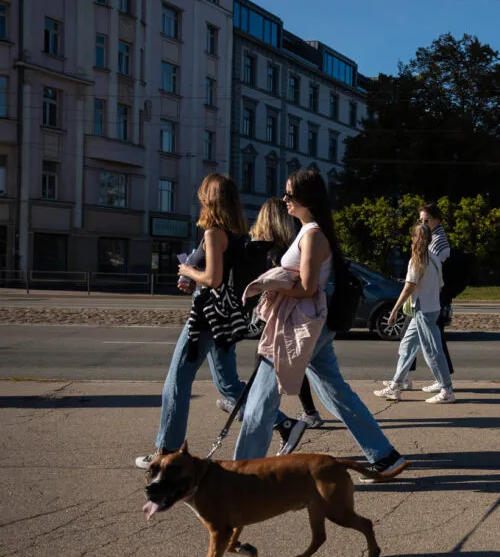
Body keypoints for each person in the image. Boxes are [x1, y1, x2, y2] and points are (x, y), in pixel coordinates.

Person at [232, 169, 408, 481]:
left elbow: (308, 287)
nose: (285, 200)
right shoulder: (308, 231)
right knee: (336, 393)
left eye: (290, 194)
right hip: (310, 325)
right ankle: (385, 456)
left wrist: (269, 285)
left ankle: (242, 475)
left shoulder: (313, 234)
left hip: (298, 327)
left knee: (261, 397)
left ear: (306, 199)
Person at [135, 174, 249, 468]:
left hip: (204, 319)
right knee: (229, 385)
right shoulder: (237, 234)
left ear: (209, 199)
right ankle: (285, 424)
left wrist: (188, 270)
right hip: (223, 318)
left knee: (176, 383)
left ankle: (166, 452)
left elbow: (213, 278)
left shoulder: (213, 234)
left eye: (202, 196)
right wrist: (193, 279)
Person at [215, 198, 325, 434]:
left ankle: (248, 407)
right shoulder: (294, 241)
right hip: (292, 311)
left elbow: (299, 285)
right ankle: (303, 412)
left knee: (269, 362)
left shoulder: (266, 247)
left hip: (282, 310)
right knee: (294, 364)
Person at [373, 222, 456, 404]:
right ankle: (396, 386)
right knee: (407, 347)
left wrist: (394, 310)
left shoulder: (417, 260)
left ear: (414, 239)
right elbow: (440, 285)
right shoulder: (434, 258)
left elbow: (408, 288)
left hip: (423, 311)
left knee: (432, 351)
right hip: (429, 309)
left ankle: (447, 390)